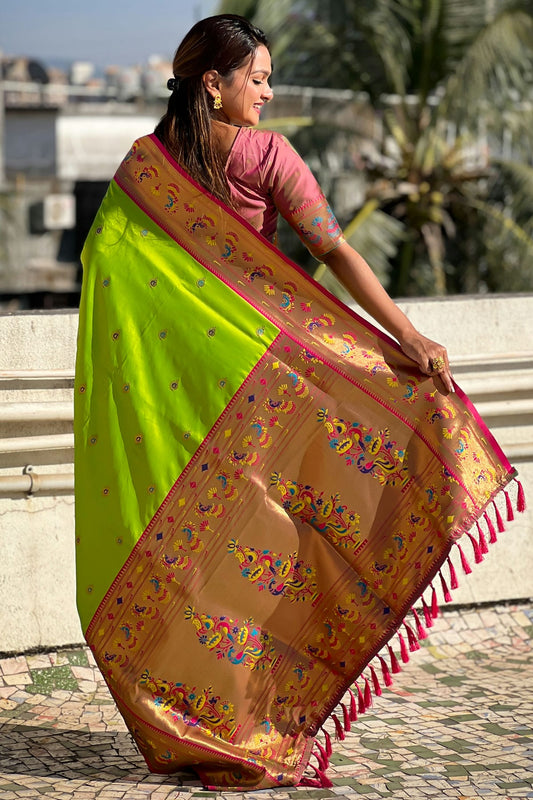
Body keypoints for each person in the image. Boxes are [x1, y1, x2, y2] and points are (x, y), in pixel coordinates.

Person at [74, 14, 521, 792]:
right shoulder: (264, 155)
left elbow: (106, 266)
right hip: (260, 391)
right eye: (258, 79)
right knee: (270, 556)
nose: (269, 94)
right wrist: (407, 336)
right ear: (212, 84)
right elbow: (335, 250)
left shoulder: (144, 166)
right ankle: (244, 722)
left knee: (202, 566)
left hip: (183, 396)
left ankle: (203, 723)